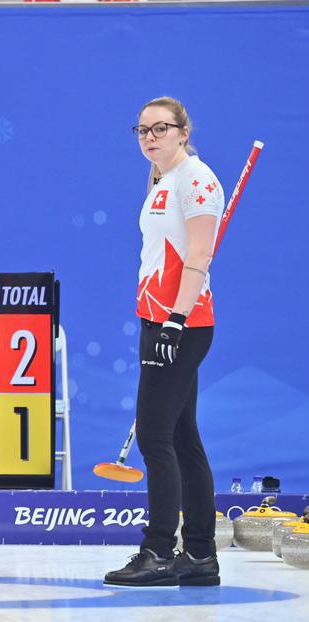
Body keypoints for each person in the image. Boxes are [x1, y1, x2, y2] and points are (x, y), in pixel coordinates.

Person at [104, 97, 224, 588]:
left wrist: (176, 320)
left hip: (181, 324)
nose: (150, 137)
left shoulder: (196, 180)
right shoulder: (162, 180)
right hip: (157, 319)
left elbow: (199, 254)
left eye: (160, 128)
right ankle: (199, 554)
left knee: (155, 436)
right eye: (142, 130)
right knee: (181, 437)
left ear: (183, 131)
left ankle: (157, 551)